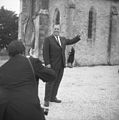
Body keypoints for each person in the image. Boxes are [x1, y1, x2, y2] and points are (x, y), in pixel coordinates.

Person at [0, 41, 56, 120]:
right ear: (23, 52)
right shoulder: (32, 62)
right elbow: (52, 76)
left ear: (9, 54)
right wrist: (35, 59)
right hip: (31, 112)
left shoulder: (2, 69)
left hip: (8, 114)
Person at [43, 24, 81, 107]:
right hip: (52, 65)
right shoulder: (48, 39)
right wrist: (47, 63)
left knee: (57, 82)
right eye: (55, 29)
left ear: (59, 30)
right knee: (50, 82)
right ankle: (46, 100)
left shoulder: (63, 39)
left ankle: (53, 97)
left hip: (61, 65)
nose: (56, 30)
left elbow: (71, 41)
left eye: (58, 29)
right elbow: (45, 52)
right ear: (52, 29)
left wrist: (78, 37)